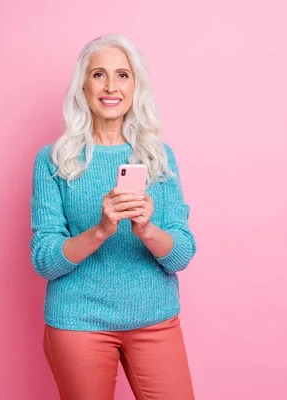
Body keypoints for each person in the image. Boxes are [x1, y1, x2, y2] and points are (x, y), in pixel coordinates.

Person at [29, 33, 197, 400]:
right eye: (98, 74)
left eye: (122, 75)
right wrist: (102, 230)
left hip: (155, 318)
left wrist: (147, 228)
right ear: (83, 86)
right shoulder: (54, 161)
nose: (111, 86)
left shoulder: (158, 158)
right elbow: (44, 260)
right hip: (78, 321)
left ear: (136, 86)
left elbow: (181, 253)